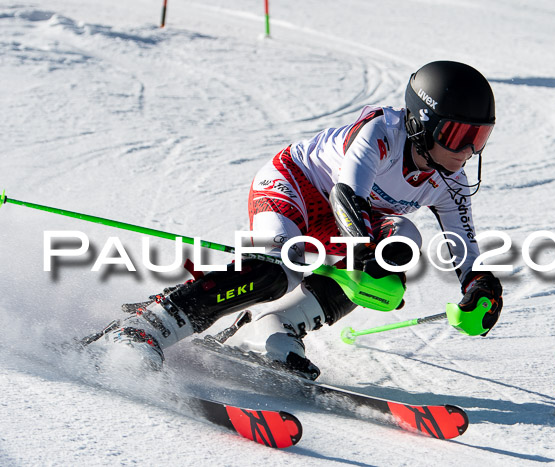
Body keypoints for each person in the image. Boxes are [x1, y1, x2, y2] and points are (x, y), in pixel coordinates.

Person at [93, 61, 504, 380]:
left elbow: (463, 246)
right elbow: (348, 194)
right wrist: (362, 252)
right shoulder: (382, 132)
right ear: (419, 122)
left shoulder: (450, 181)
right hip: (295, 186)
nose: (467, 150)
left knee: (397, 255)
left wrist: (480, 285)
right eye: (456, 135)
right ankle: (148, 327)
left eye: (479, 138)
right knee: (274, 272)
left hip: (350, 218)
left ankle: (277, 326)